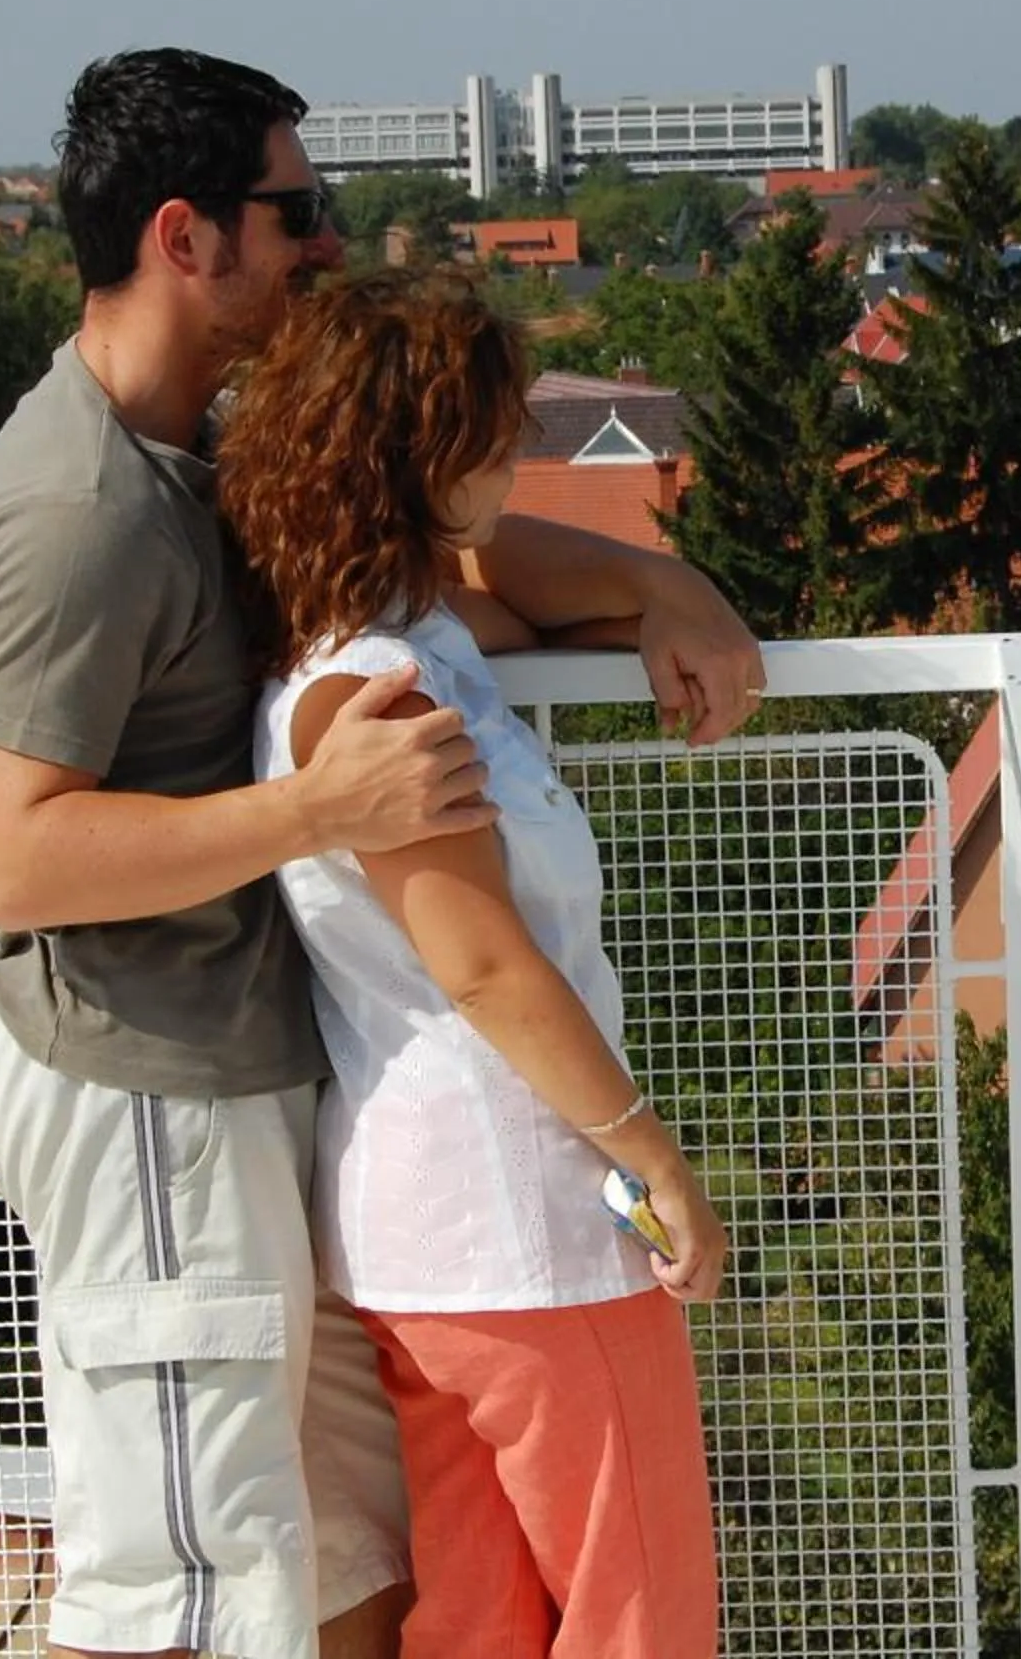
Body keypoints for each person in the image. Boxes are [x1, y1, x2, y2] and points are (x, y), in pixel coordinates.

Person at [0, 48, 763, 1659]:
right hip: (150, 1095)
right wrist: (323, 811)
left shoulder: (223, 462)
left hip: (289, 1111)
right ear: (189, 236)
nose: (327, 241)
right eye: (297, 210)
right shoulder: (78, 510)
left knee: (343, 1573)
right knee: (168, 1575)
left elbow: (443, 551)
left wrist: (671, 592)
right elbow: (14, 865)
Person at [222, 268, 725, 1659]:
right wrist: (656, 1163)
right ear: (410, 460)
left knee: (484, 1624)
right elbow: (486, 962)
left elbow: (543, 596)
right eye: (494, 435)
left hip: (430, 1244)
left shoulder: (386, 641)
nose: (523, 458)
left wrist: (663, 585)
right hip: (529, 1232)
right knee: (644, 1617)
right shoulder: (381, 695)